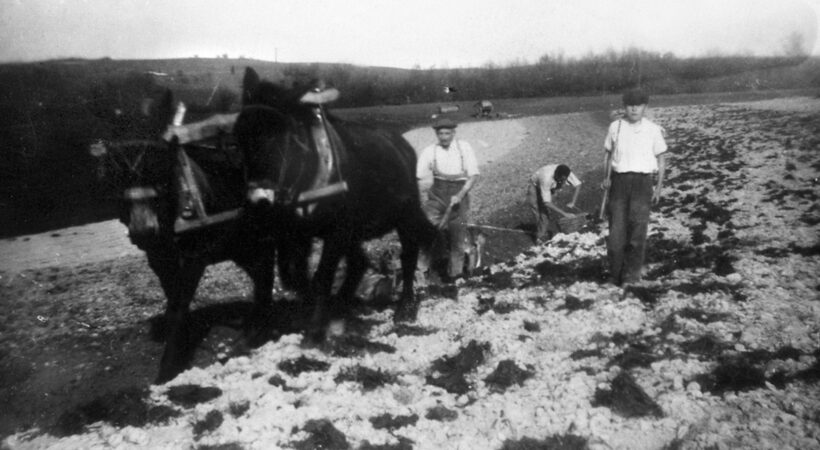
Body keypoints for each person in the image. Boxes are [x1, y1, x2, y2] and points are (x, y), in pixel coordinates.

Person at [601, 88, 668, 286]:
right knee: (616, 235)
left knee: (637, 233)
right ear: (624, 107)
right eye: (630, 105)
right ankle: (615, 276)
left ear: (645, 107)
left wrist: (658, 188)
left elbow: (661, 159)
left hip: (643, 183)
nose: (634, 109)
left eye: (638, 105)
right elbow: (607, 155)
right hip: (619, 183)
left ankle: (631, 277)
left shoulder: (653, 129)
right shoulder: (615, 127)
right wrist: (606, 177)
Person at [417, 117, 480, 282]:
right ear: (436, 134)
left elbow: (473, 175)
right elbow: (418, 177)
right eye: (440, 133)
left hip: (460, 198)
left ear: (453, 133)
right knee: (424, 234)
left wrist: (460, 195)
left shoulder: (463, 148)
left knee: (457, 241)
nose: (444, 137)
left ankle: (454, 277)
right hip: (436, 198)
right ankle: (421, 274)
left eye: (447, 133)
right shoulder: (430, 151)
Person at [527, 164, 582, 241]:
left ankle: (541, 233)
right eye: (561, 180)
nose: (563, 181)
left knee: (545, 212)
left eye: (564, 180)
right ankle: (539, 234)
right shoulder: (546, 178)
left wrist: (573, 202)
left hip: (551, 185)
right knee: (536, 209)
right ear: (556, 175)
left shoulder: (566, 172)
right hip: (535, 185)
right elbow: (546, 202)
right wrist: (564, 214)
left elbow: (578, 185)